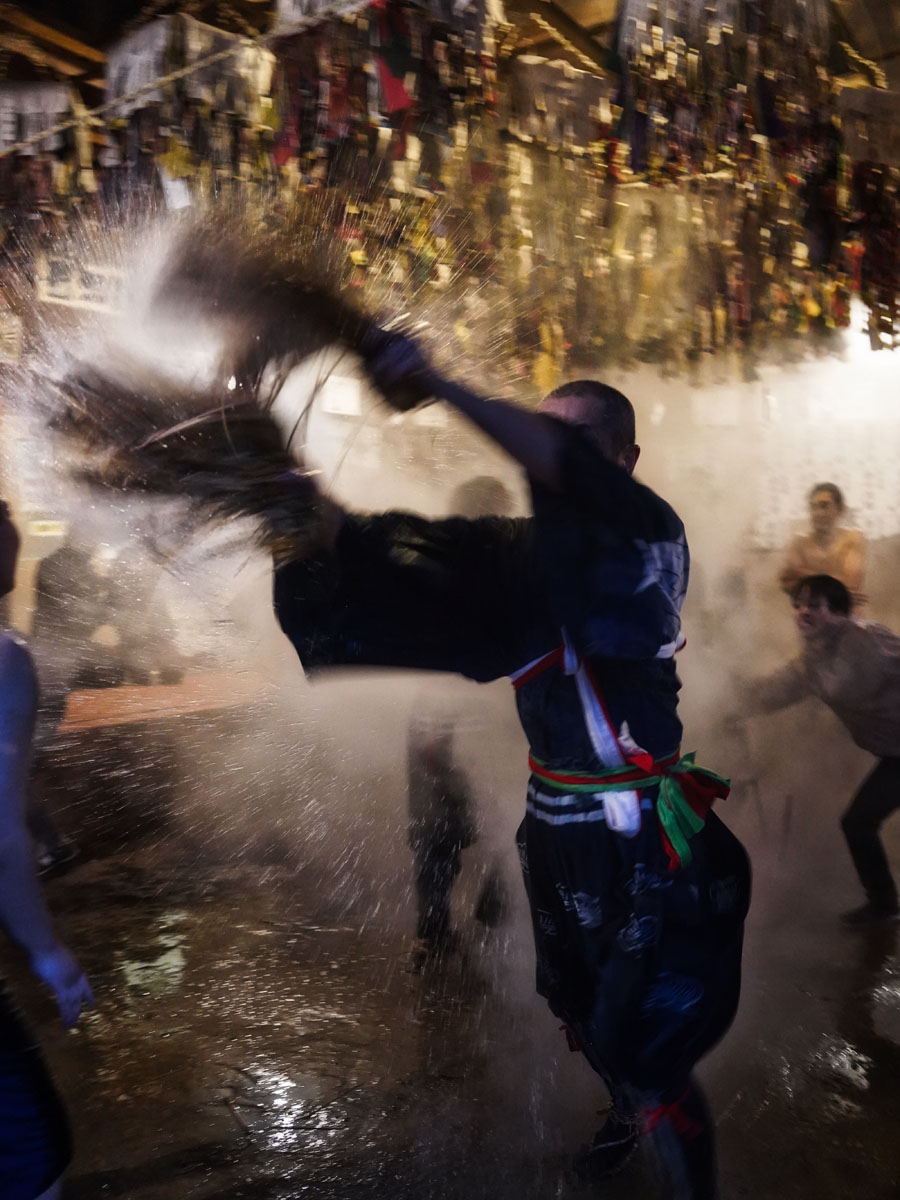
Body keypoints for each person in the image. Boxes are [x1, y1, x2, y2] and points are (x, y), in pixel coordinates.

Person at [273, 337, 750, 1199]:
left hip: (637, 840)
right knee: (579, 1007)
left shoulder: (648, 536)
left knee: (649, 1042)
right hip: (556, 827)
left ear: (625, 463)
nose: (553, 471)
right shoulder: (524, 552)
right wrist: (299, 512)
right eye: (546, 448)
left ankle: (683, 1169)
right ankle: (621, 1107)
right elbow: (408, 565)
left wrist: (440, 383)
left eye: (575, 452)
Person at [0, 499, 94, 1199]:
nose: (14, 520)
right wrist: (48, 953)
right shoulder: (4, 661)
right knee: (34, 1155)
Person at [739, 573, 900, 926]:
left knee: (859, 822)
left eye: (813, 605)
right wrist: (735, 704)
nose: (801, 612)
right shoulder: (814, 658)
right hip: (895, 755)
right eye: (797, 605)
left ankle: (885, 902)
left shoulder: (869, 639)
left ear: (839, 611)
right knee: (858, 823)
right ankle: (884, 904)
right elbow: (779, 689)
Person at [778, 482, 866, 607]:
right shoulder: (799, 542)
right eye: (813, 507)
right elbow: (787, 583)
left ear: (840, 509)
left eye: (824, 506)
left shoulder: (853, 538)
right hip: (811, 617)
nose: (817, 513)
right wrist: (834, 587)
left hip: (846, 617)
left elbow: (849, 585)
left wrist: (803, 576)